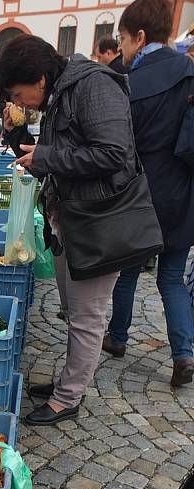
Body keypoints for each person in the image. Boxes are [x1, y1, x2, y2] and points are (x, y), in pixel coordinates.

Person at [0, 35, 138, 426]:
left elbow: (114, 153)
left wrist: (48, 154)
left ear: (39, 78)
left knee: (87, 316)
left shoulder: (94, 85)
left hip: (100, 222)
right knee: (74, 310)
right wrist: (15, 137)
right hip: (70, 218)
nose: (17, 100)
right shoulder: (60, 92)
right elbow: (45, 159)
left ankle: (67, 398)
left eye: (17, 92)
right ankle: (67, 382)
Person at [103, 0, 194, 386]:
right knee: (171, 277)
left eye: (123, 39)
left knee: (126, 271)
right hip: (181, 191)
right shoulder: (189, 71)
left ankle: (118, 338)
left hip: (141, 194)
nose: (121, 47)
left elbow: (119, 146)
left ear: (139, 37)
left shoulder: (129, 83)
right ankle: (184, 354)